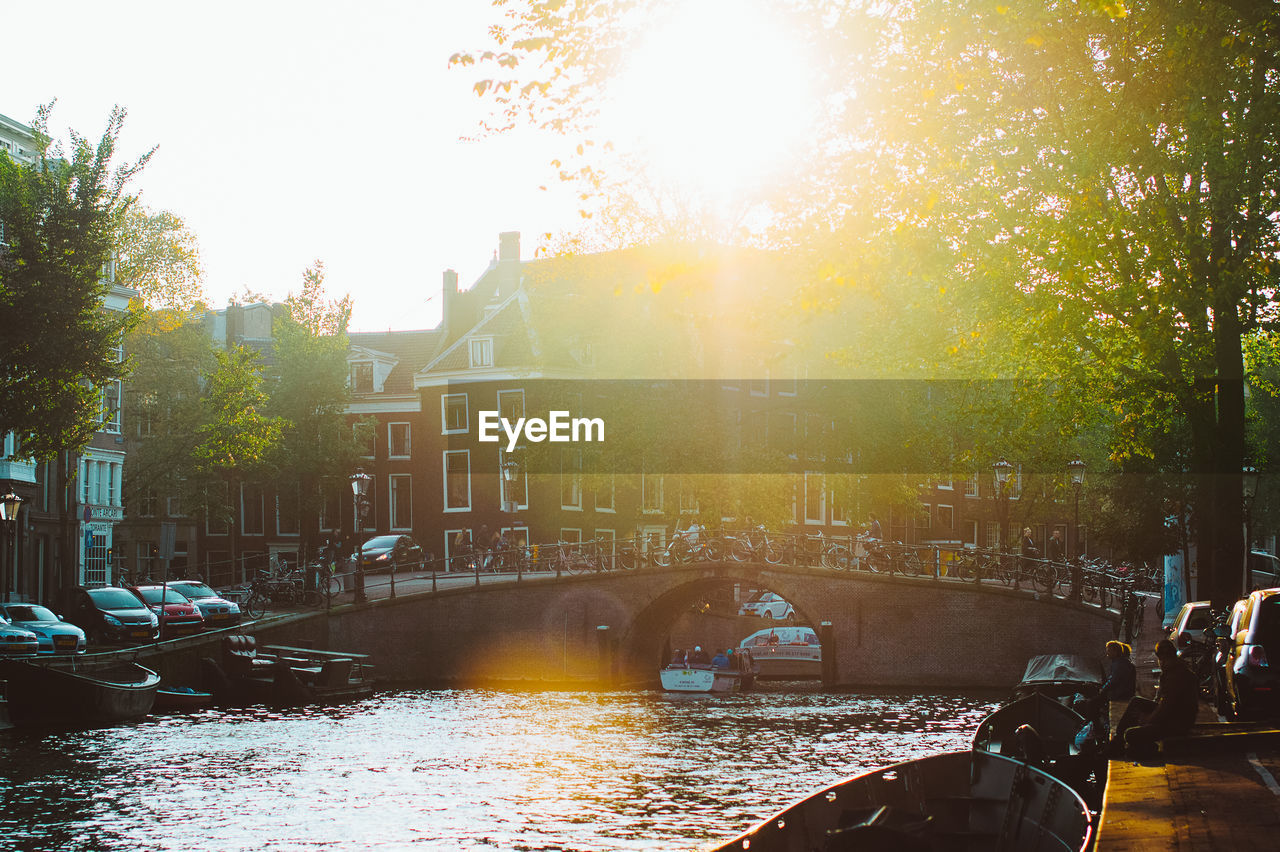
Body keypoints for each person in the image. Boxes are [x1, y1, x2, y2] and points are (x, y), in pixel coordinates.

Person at [1110, 639, 1199, 758]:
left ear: (1162, 658)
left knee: (1130, 734)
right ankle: (1118, 741)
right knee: (1136, 702)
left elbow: (1166, 706)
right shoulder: (1176, 671)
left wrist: (1148, 720)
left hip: (1176, 723)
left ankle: (1119, 743)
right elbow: (1162, 703)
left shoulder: (1175, 676)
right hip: (1174, 716)